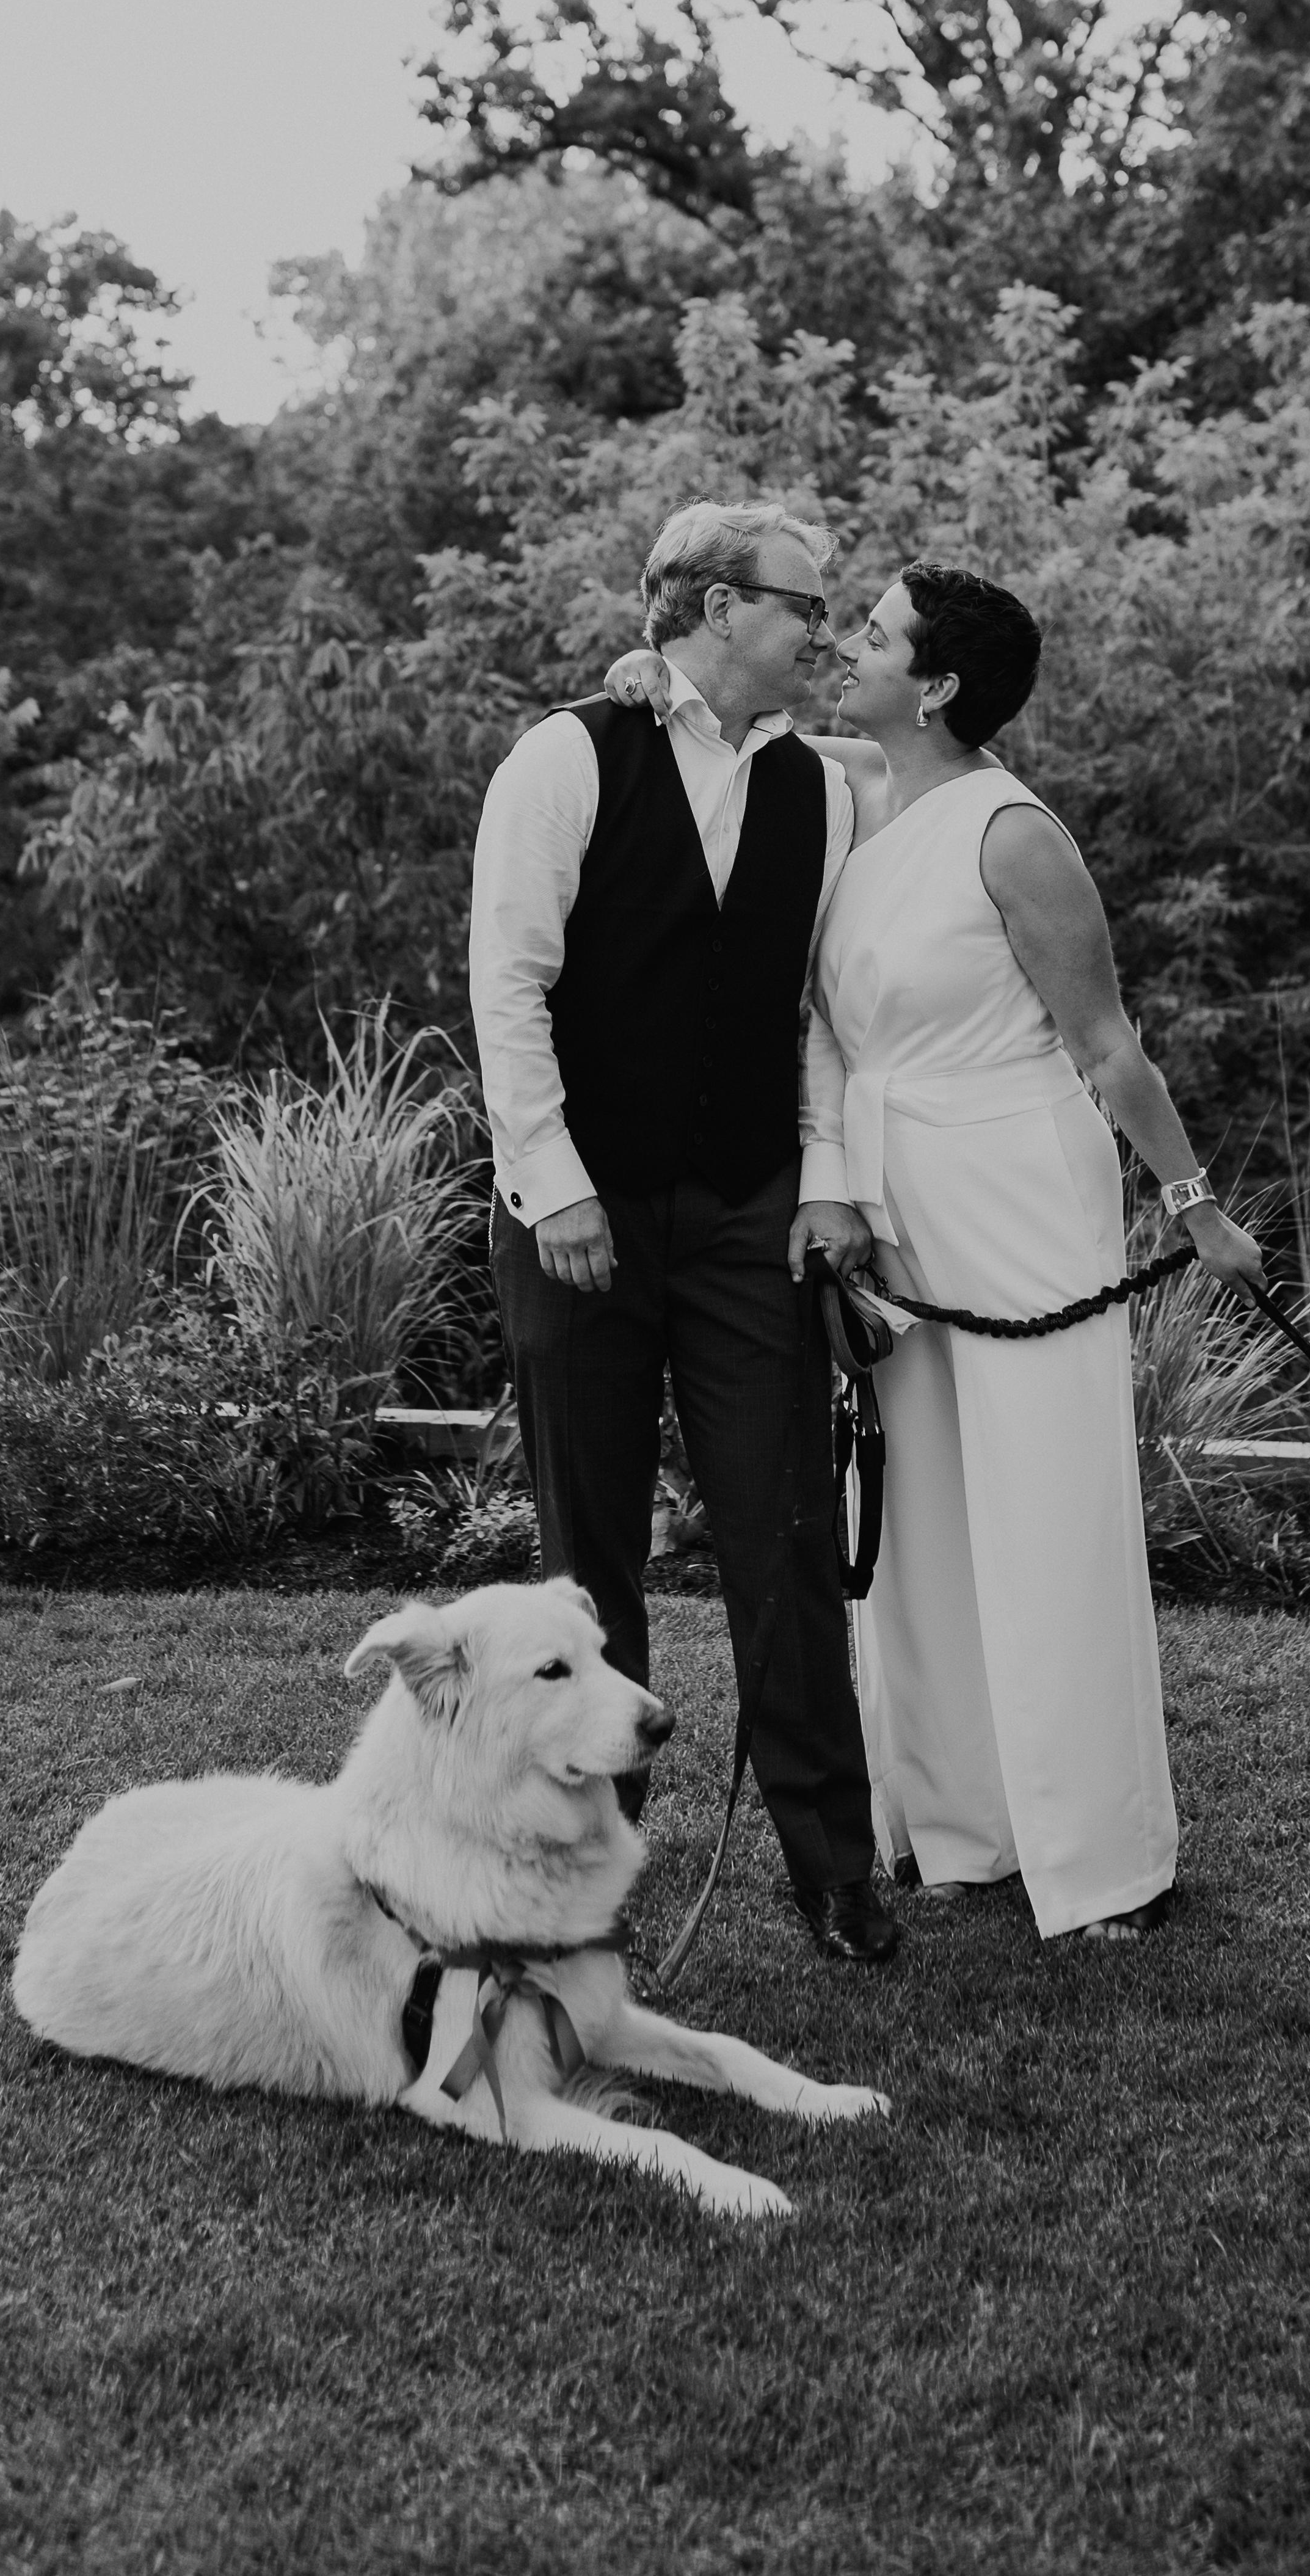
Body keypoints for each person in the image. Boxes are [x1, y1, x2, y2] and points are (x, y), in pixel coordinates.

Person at [605, 560, 1261, 1943]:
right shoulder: (861, 788)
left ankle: (1104, 1860)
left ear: (941, 683)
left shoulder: (1015, 836)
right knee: (918, 1524)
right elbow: (731, 723)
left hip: (1016, 1191)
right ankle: (966, 1827)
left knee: (1045, 1514)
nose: (847, 645)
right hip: (891, 1198)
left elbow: (1108, 1046)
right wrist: (651, 675)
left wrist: (1197, 1207)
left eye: (879, 634)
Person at [468, 499, 896, 1966]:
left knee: (787, 1537)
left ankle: (834, 1865)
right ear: (720, 607)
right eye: (804, 605)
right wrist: (555, 1184)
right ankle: (592, 1858)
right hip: (577, 1212)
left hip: (747, 1214)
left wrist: (826, 1180)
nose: (823, 630)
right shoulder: (566, 756)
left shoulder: (820, 789)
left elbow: (818, 1011)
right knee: (589, 1563)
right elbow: (508, 983)